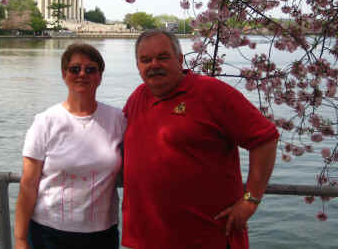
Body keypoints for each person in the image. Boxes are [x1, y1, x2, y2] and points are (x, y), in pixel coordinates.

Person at [121, 29, 279, 249]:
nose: (154, 64)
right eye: (145, 60)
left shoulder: (211, 93)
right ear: (138, 66)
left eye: (163, 57)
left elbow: (265, 140)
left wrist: (250, 200)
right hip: (146, 239)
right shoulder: (138, 97)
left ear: (179, 59)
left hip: (207, 237)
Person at [14, 43, 125, 249]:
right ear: (64, 75)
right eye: (75, 69)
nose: (82, 74)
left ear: (100, 76)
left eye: (90, 69)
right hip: (48, 233)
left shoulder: (117, 119)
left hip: (102, 234)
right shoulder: (45, 121)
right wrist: (20, 239)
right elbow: (28, 185)